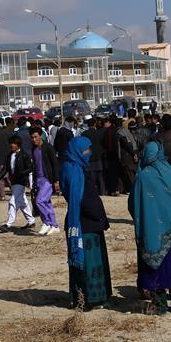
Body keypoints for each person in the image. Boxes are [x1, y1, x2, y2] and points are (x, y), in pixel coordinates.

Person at [129, 141, 171, 315]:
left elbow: (133, 204)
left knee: (156, 268)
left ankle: (160, 305)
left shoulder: (142, 176)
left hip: (152, 232)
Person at [62, 136, 113, 310]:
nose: (89, 153)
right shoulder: (76, 172)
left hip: (80, 222)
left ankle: (79, 298)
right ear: (77, 151)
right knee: (89, 264)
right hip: (86, 225)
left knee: (82, 264)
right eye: (85, 150)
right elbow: (85, 200)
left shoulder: (71, 168)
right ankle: (90, 299)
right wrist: (100, 217)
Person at [0, 136, 36, 231]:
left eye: (13, 143)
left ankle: (8, 224)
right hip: (13, 181)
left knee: (12, 201)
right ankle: (31, 220)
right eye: (11, 143)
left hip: (21, 181)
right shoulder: (10, 155)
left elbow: (29, 168)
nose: (11, 145)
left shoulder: (24, 155)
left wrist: (21, 174)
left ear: (18, 144)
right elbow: (5, 168)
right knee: (22, 202)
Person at [30, 127, 61, 235]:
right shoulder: (33, 149)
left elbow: (55, 164)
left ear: (41, 136)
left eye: (36, 137)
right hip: (38, 180)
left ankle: (46, 222)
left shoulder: (48, 147)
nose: (34, 139)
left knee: (40, 201)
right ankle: (54, 225)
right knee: (46, 203)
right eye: (32, 137)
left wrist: (56, 180)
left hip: (48, 179)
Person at [82, 117, 106, 195]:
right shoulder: (99, 133)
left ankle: (92, 191)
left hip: (89, 157)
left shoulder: (84, 134)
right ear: (95, 124)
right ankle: (102, 192)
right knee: (100, 176)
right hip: (98, 157)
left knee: (91, 177)